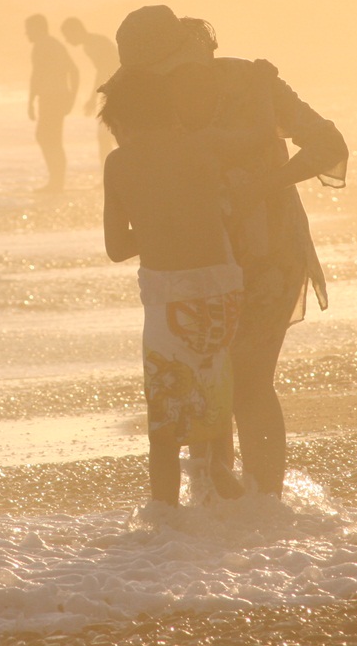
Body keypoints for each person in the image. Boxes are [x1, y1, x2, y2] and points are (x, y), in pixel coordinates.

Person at [115, 5, 348, 498]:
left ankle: (264, 504)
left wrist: (264, 186)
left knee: (249, 382)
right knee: (209, 379)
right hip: (197, 262)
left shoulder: (253, 82)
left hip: (269, 252)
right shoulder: (146, 101)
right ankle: (218, 504)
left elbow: (328, 144)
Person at [100, 67, 248, 506]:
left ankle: (165, 525)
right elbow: (225, 211)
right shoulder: (202, 150)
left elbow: (115, 247)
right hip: (222, 283)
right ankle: (223, 488)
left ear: (123, 124)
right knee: (215, 396)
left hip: (169, 293)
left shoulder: (120, 162)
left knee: (166, 421)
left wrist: (151, 229)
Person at [25, 13, 79, 193]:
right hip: (53, 98)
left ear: (38, 28)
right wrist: (71, 97)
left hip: (52, 98)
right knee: (49, 138)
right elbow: (73, 71)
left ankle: (56, 183)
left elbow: (72, 71)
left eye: (28, 29)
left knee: (48, 138)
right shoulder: (50, 45)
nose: (26, 34)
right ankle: (56, 181)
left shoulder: (45, 45)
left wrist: (30, 101)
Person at [62, 16, 121, 164]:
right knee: (110, 135)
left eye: (68, 35)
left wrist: (93, 98)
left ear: (77, 30)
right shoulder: (91, 43)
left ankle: (110, 174)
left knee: (107, 136)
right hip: (115, 90)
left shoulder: (93, 44)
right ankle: (109, 172)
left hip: (116, 92)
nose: (67, 40)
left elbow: (103, 71)